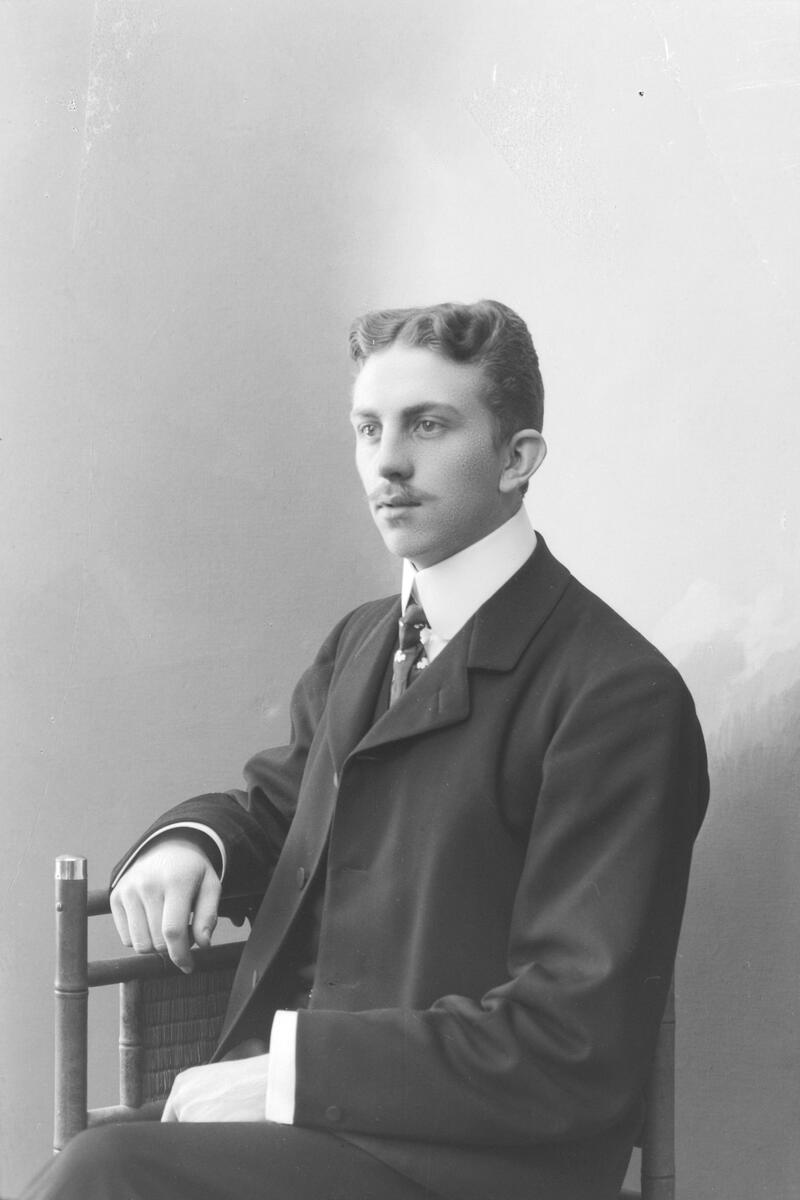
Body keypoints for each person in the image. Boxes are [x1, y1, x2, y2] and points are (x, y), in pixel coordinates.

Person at [21, 300, 708, 1200]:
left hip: (472, 1162)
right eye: (368, 428)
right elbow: (282, 813)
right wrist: (195, 841)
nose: (387, 463)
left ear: (517, 458)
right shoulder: (364, 642)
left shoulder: (616, 695)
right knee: (90, 1170)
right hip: (312, 1135)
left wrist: (287, 1076)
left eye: (428, 425)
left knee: (106, 1173)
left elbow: (570, 1045)